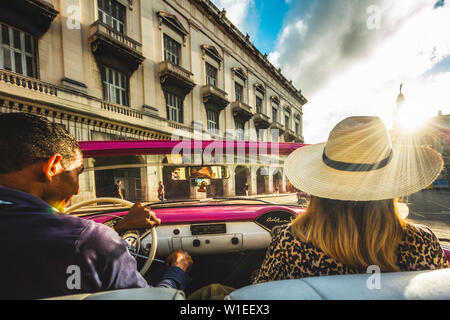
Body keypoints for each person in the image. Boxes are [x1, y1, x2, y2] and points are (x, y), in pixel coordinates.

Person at [0, 113, 193, 299]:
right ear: (53, 167)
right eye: (77, 172)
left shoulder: (88, 240)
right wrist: (177, 270)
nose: (77, 191)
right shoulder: (90, 240)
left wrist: (120, 227)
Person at [253, 116, 449, 284]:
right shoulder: (423, 241)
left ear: (320, 191)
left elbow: (260, 293)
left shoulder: (292, 241)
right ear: (389, 187)